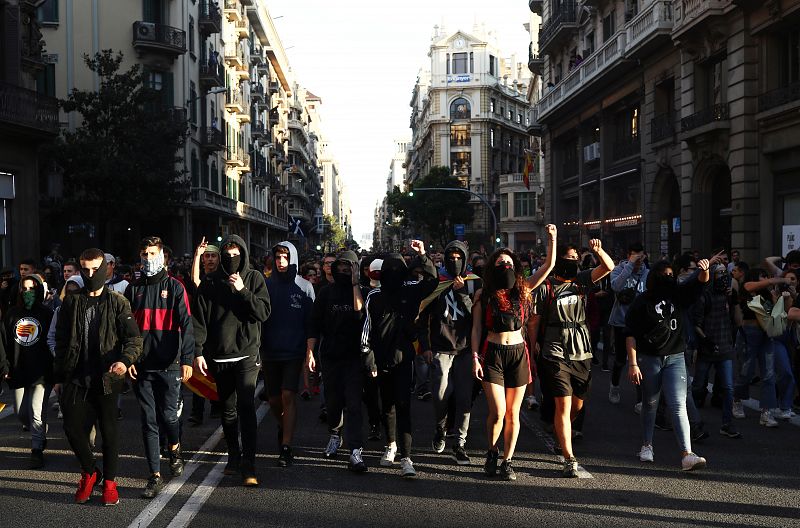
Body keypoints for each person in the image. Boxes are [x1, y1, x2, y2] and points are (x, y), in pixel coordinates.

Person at [54, 249, 143, 505]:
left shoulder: (117, 302)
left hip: (107, 377)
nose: (90, 274)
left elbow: (134, 339)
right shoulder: (71, 302)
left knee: (108, 430)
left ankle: (111, 484)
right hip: (76, 375)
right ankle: (91, 471)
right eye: (85, 269)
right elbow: (61, 341)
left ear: (105, 269)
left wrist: (125, 361)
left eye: (95, 269)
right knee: (72, 427)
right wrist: (59, 377)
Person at [530, 240, 614, 478]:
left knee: (577, 404)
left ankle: (562, 432)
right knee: (563, 404)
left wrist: (598, 250)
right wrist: (533, 346)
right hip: (554, 350)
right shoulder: (546, 286)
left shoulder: (582, 280)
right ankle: (569, 457)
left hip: (582, 350)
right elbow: (534, 320)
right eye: (568, 258)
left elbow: (608, 267)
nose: (573, 261)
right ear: (557, 261)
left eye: (575, 258)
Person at [193, 235, 271, 487]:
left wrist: (242, 291)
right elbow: (200, 321)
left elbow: (262, 312)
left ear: (244, 254)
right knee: (227, 410)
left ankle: (249, 464)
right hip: (219, 355)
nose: (230, 257)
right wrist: (197, 352)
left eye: (235, 253)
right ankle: (233, 456)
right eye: (226, 253)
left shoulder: (254, 278)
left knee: (246, 407)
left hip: (247, 354)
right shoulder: (210, 283)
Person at [625, 257, 714, 472]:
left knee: (678, 404)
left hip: (675, 357)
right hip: (650, 358)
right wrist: (633, 363)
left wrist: (704, 270)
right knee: (650, 403)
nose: (668, 278)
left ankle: (687, 454)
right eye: (663, 275)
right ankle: (647, 445)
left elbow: (700, 284)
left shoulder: (679, 295)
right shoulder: (642, 301)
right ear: (654, 277)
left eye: (671, 275)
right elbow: (630, 334)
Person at [362, 240, 438, 478]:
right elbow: (367, 330)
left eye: (399, 269)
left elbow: (433, 282)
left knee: (404, 405)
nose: (394, 274)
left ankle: (407, 457)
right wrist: (370, 361)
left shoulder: (412, 290)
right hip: (381, 359)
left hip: (404, 358)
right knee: (388, 406)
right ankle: (390, 445)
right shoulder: (374, 296)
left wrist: (423, 256)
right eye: (390, 270)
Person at [125, 237, 194, 499]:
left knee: (169, 417)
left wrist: (187, 359)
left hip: (170, 364)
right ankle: (154, 475)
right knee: (148, 420)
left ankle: (175, 448)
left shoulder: (176, 288)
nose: (147, 258)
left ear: (162, 255)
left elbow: (187, 324)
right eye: (144, 254)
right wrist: (128, 358)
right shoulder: (133, 289)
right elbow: (127, 329)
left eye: (152, 253)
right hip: (142, 366)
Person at [418, 240, 482, 466]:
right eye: (451, 257)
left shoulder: (474, 283)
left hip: (465, 350)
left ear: (465, 260)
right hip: (441, 349)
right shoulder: (438, 283)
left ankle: (460, 443)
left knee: (464, 398)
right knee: (440, 395)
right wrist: (425, 346)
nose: (455, 261)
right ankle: (440, 427)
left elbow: (477, 318)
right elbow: (423, 315)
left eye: (459, 257)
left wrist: (463, 293)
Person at [307, 249, 366, 471]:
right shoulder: (325, 293)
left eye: (348, 267)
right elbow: (314, 324)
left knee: (354, 404)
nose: (343, 270)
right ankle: (334, 435)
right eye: (340, 267)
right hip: (330, 355)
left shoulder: (360, 291)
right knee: (333, 402)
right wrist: (310, 352)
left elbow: (359, 314)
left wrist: (354, 284)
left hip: (354, 357)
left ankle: (355, 450)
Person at [261, 241, 315, 467]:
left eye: (285, 257)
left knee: (288, 396)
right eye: (278, 257)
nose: (281, 262)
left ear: (293, 258)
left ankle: (286, 446)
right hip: (269, 351)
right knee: (273, 400)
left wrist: (310, 352)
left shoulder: (305, 287)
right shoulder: (265, 286)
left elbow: (312, 324)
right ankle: (284, 426)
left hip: (294, 352)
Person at [1, 273, 54, 468]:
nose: (28, 292)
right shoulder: (11, 313)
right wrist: (5, 367)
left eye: (32, 288)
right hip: (18, 371)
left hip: (41, 372)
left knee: (36, 411)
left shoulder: (47, 314)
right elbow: (4, 342)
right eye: (25, 288)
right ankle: (40, 431)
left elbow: (53, 342)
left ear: (39, 290)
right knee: (21, 413)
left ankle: (37, 449)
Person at [692, 263, 741, 439]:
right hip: (707, 348)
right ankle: (693, 423)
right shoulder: (705, 295)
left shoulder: (729, 296)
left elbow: (738, 321)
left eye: (724, 272)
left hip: (725, 348)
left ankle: (727, 423)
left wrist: (734, 301)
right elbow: (696, 323)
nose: (722, 276)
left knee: (728, 387)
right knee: (697, 387)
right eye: (718, 272)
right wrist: (705, 340)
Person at [608, 243, 648, 408]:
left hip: (640, 324)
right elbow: (616, 286)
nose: (638, 259)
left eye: (641, 256)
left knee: (639, 361)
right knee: (620, 360)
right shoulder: (619, 270)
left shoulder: (647, 273)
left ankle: (640, 400)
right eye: (634, 256)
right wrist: (630, 265)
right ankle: (614, 386)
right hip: (621, 321)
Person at [188, 238, 221, 426]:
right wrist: (197, 254)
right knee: (197, 372)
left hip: (218, 335)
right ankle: (196, 413)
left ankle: (217, 406)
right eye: (207, 256)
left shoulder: (223, 279)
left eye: (213, 256)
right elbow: (195, 280)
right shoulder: (202, 282)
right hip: (200, 334)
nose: (209, 259)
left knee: (216, 373)